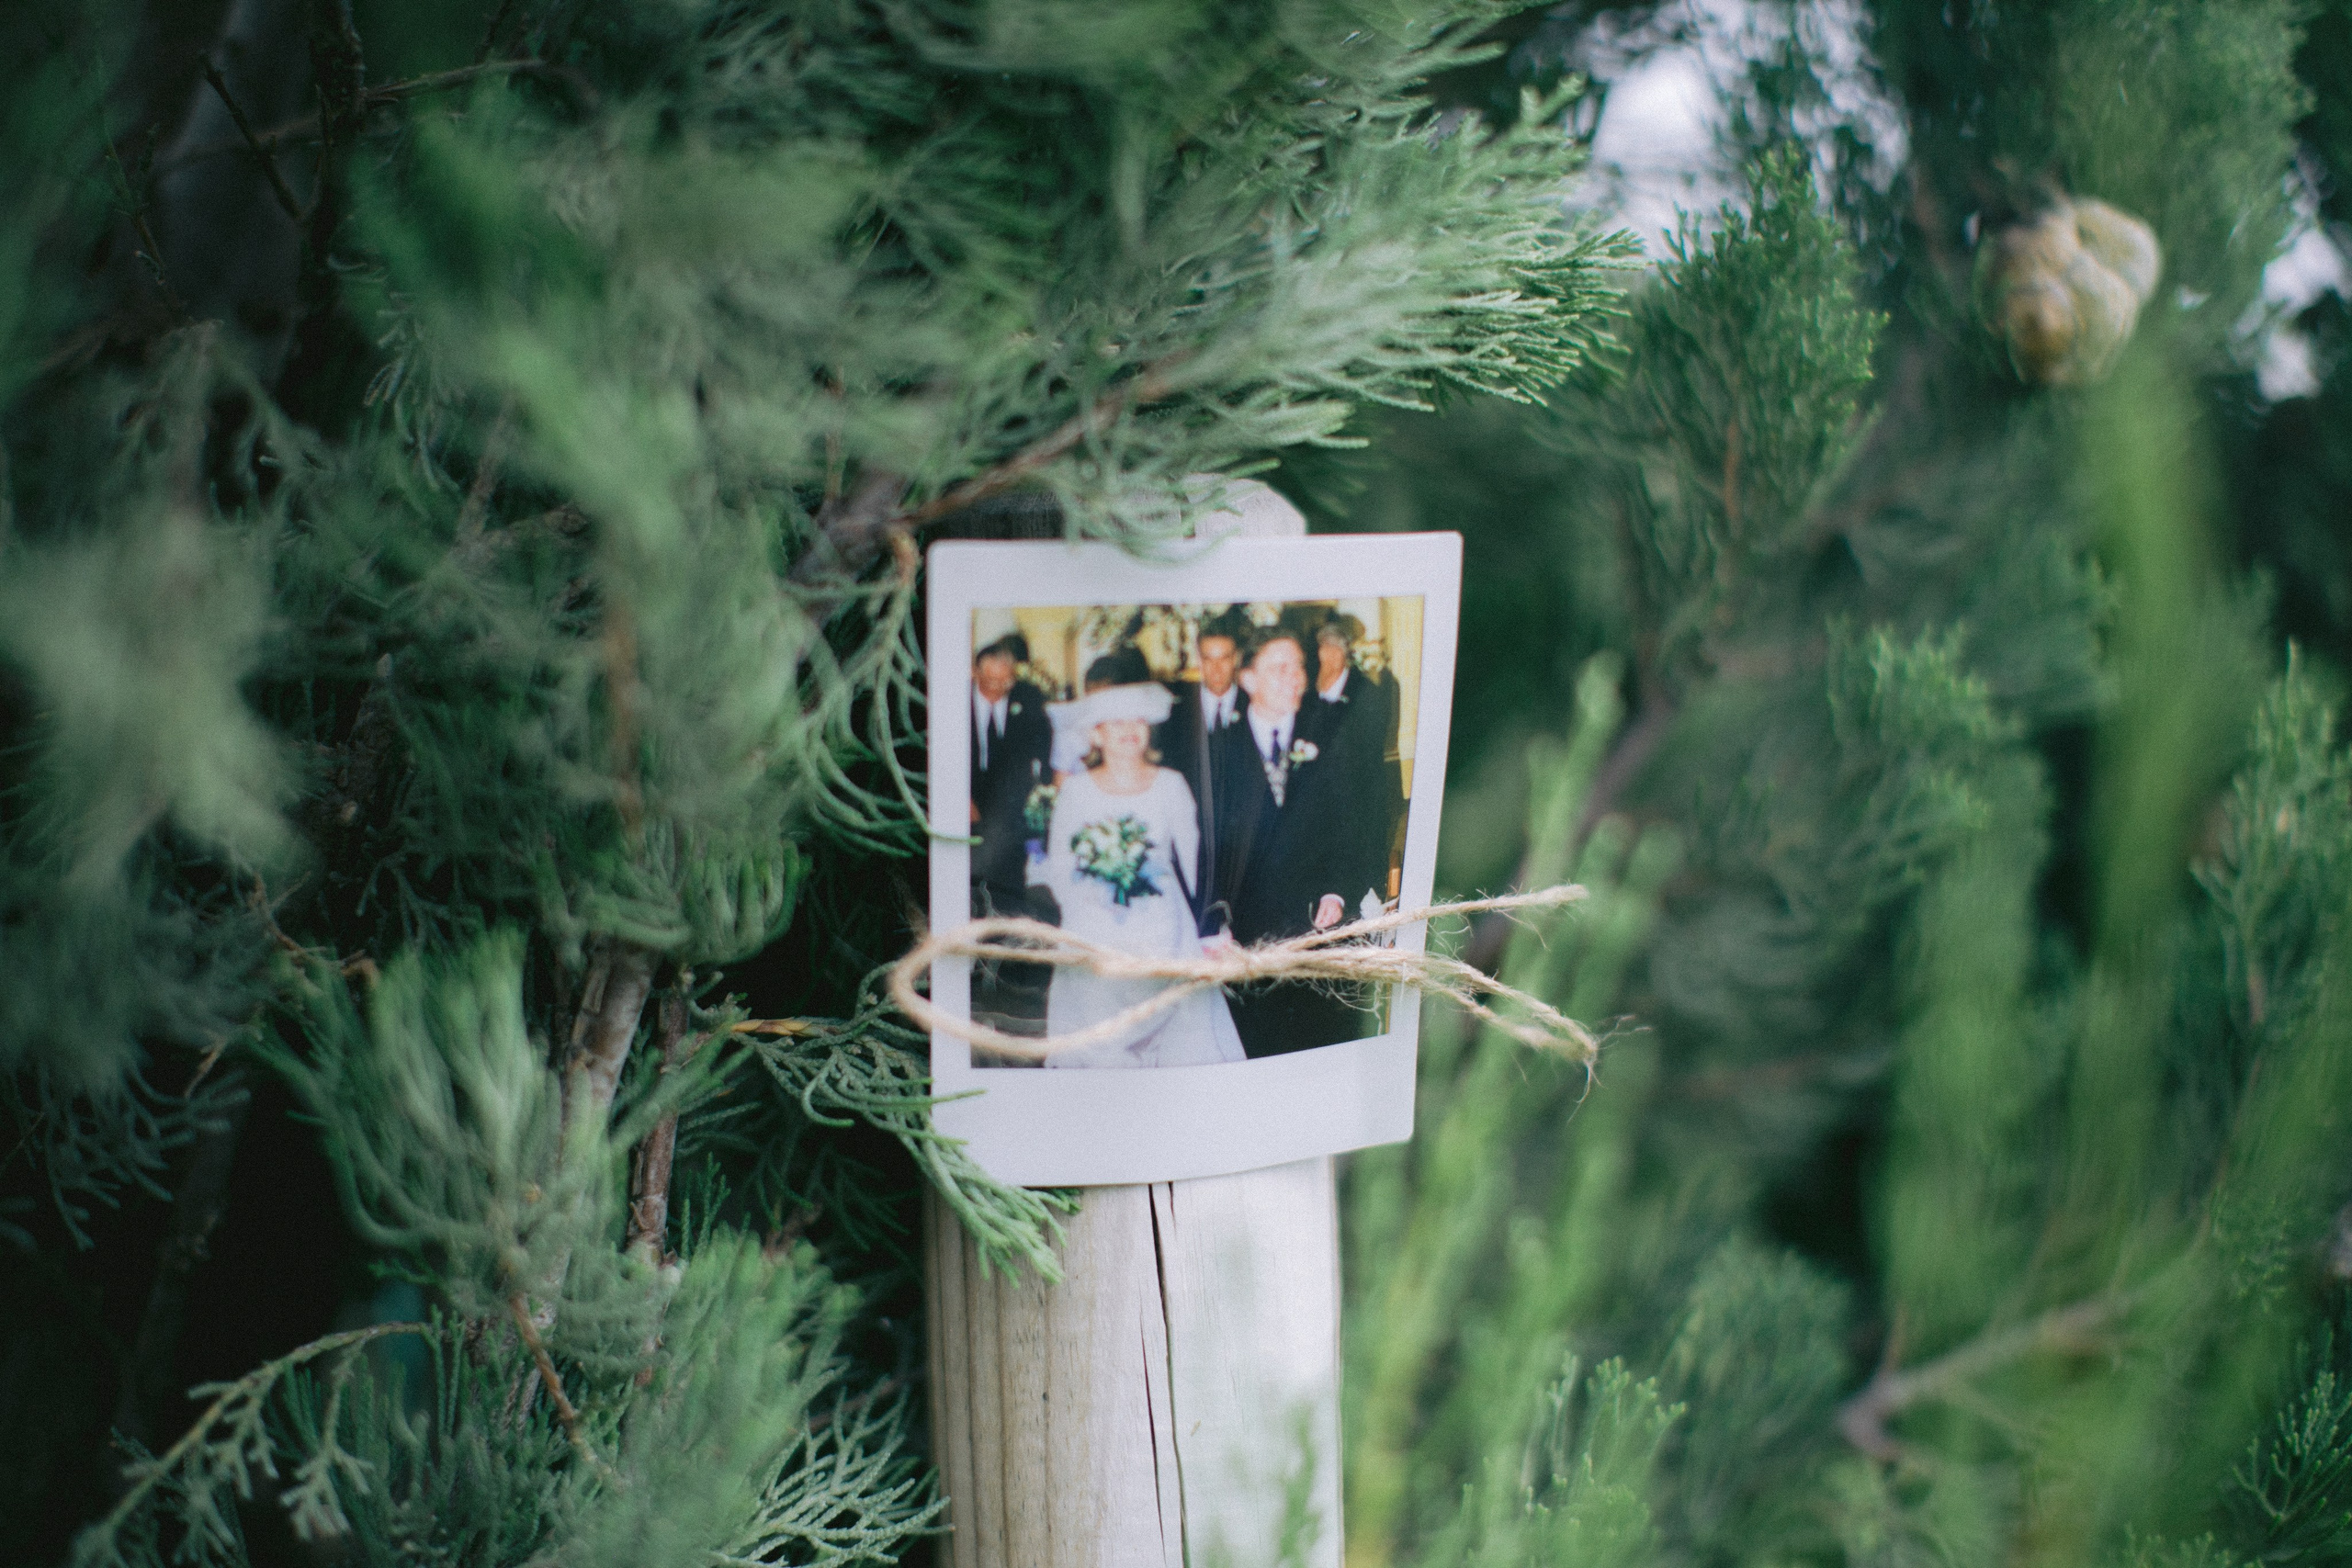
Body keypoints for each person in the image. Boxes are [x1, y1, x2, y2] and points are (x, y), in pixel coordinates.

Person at [1028, 682, 1245, 1068]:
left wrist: (1203, 925)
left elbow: (1194, 862)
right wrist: (1092, 908)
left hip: (1165, 928)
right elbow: (1061, 864)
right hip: (1095, 927)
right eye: (1116, 723)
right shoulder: (1076, 790)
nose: (1130, 730)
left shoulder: (1171, 784)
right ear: (1097, 734)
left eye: (1138, 721)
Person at [1202, 627, 1390, 1056]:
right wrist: (1215, 921)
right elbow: (1203, 851)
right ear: (1248, 679)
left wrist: (1337, 892)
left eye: (1299, 667)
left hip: (1320, 936)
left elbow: (1357, 828)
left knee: (1325, 1051)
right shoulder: (1217, 753)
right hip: (1248, 946)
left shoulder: (1330, 736)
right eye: (1280, 668)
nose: (1296, 678)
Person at [969, 632, 1055, 1037]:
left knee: (1008, 894)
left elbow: (1042, 756)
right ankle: (970, 967)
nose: (1002, 677)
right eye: (994, 667)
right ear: (976, 668)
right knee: (970, 893)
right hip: (965, 816)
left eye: (1009, 669)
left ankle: (1004, 975)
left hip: (1009, 821)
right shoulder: (954, 702)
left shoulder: (1028, 700)